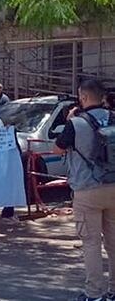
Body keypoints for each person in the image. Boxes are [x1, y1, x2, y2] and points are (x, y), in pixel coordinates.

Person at [53, 79, 115, 301]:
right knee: (113, 241)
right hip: (113, 186)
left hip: (87, 189)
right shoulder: (114, 118)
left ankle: (94, 293)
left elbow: (57, 148)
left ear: (84, 97)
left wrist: (70, 119)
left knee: (91, 244)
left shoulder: (76, 123)